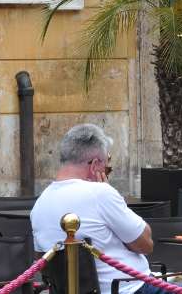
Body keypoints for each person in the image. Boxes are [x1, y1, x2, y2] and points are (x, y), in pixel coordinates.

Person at [31, 124, 165, 294]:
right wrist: (113, 197)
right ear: (95, 165)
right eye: (107, 168)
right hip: (131, 289)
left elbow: (42, 261)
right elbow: (145, 244)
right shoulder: (100, 193)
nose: (107, 173)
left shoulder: (39, 205)